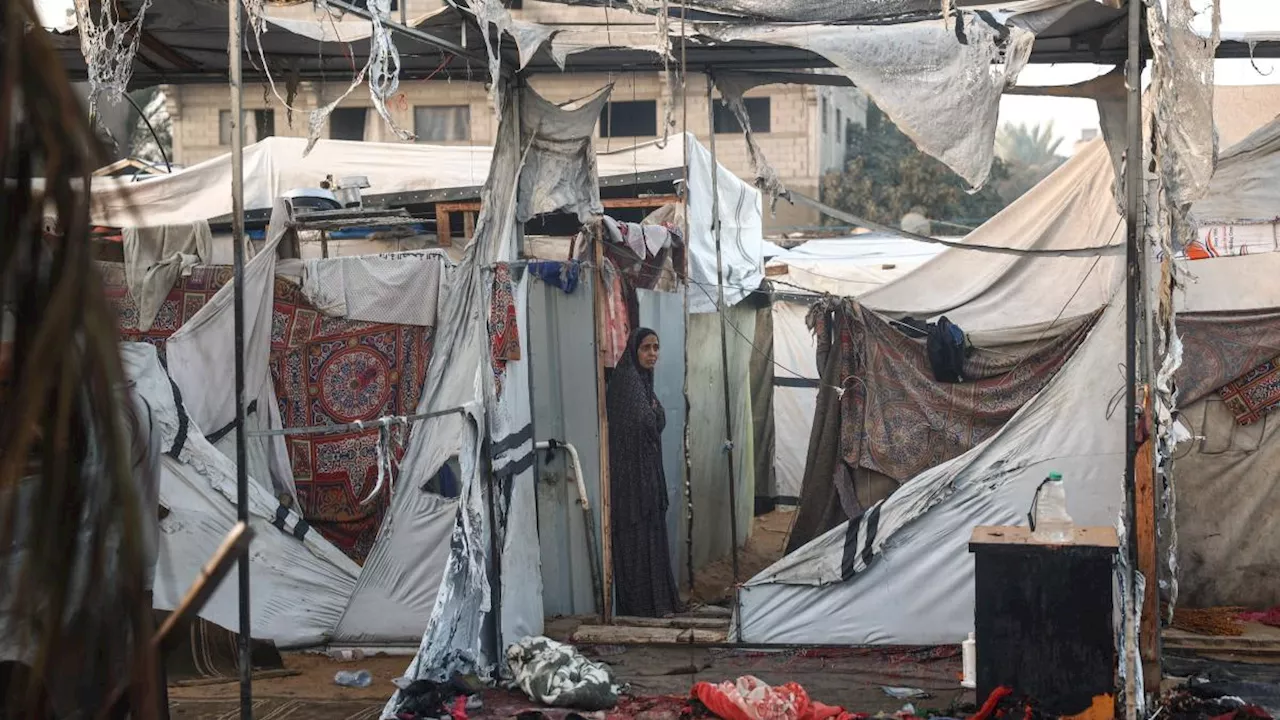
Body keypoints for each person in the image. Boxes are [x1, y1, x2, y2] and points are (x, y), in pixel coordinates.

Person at [606, 328, 681, 618]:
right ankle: (639, 607)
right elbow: (647, 421)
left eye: (656, 348)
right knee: (637, 541)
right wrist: (653, 415)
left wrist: (654, 415)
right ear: (634, 351)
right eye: (646, 348)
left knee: (651, 539)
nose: (653, 354)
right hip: (631, 481)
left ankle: (654, 604)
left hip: (644, 477)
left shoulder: (642, 382)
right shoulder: (627, 382)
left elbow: (657, 417)